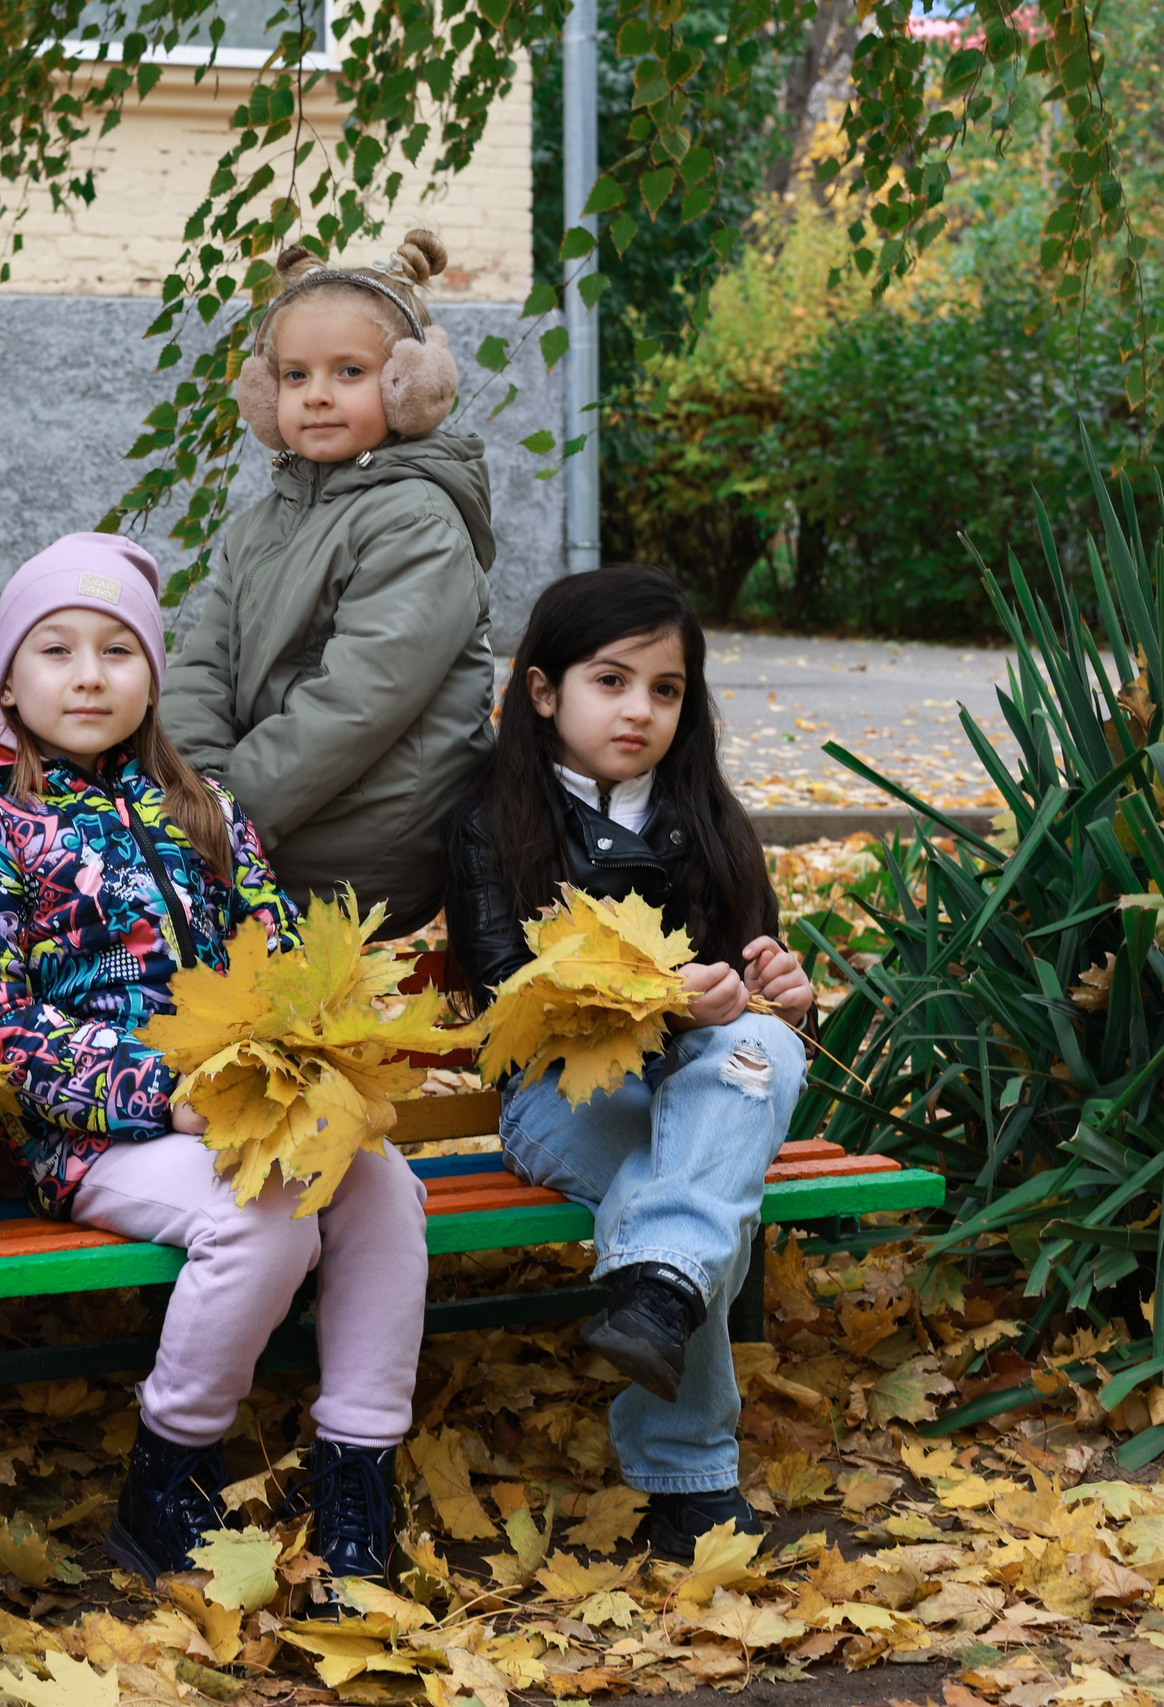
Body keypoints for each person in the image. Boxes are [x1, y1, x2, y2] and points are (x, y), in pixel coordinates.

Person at [0, 533, 431, 1598]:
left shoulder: (209, 815)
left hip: (245, 1110)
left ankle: (357, 1477)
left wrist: (322, 1045)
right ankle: (168, 1473)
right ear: (6, 680)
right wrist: (156, 1095)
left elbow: (281, 961)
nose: (89, 674)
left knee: (382, 1186)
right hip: (87, 1137)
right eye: (55, 650)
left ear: (152, 676)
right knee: (264, 1209)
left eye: (117, 650)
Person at [442, 564, 815, 1558]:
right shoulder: (496, 822)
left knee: (757, 1050)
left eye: (664, 689)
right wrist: (657, 997)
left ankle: (661, 1305)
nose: (639, 710)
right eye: (610, 681)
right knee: (687, 1197)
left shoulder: (707, 818)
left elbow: (747, 978)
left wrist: (779, 987)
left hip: (706, 1092)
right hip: (565, 1095)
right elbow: (500, 991)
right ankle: (691, 1478)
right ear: (540, 690)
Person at [160, 228, 497, 938]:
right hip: (261, 818)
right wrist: (194, 789)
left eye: (350, 372)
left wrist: (219, 817)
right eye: (294, 375)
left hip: (363, 850)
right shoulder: (262, 525)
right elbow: (203, 668)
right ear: (263, 392)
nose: (317, 396)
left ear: (410, 385)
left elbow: (357, 705)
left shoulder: (418, 522)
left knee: (127, 882)